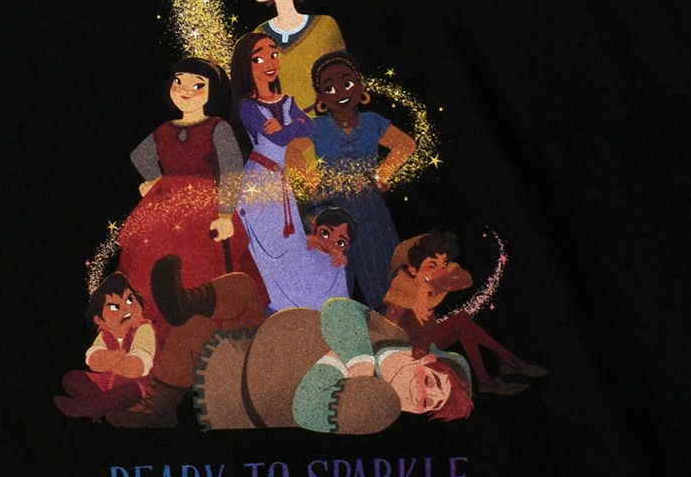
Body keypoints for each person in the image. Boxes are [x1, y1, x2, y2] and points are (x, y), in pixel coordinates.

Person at [93, 256, 473, 431]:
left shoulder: (378, 407)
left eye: (429, 405)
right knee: (241, 287)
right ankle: (184, 303)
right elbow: (339, 309)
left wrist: (338, 361)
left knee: (193, 334)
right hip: (261, 339)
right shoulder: (395, 338)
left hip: (249, 384)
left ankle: (157, 411)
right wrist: (357, 356)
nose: (420, 396)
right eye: (432, 384)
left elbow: (308, 409)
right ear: (425, 362)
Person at [114, 57, 262, 324]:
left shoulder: (217, 128)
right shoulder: (164, 129)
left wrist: (225, 215)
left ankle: (198, 315)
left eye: (198, 85)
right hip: (164, 209)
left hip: (203, 210)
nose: (186, 90)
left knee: (201, 266)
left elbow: (231, 171)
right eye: (179, 81)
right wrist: (155, 180)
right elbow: (140, 155)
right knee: (150, 260)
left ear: (213, 92)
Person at [230, 32, 347, 311]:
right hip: (259, 182)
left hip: (280, 181)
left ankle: (307, 303)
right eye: (259, 58)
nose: (270, 63)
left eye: (273, 54)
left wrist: (286, 128)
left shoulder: (286, 101)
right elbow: (281, 138)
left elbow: (310, 127)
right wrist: (290, 128)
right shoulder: (247, 106)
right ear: (246, 65)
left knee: (292, 242)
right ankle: (280, 305)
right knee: (270, 247)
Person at [309, 50, 416, 307]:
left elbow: (405, 144)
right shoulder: (317, 126)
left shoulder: (372, 122)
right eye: (330, 88)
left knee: (383, 280)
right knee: (333, 284)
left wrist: (383, 174)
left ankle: (389, 329)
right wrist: (309, 176)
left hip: (370, 208)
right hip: (331, 211)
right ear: (321, 98)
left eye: (347, 83)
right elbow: (291, 151)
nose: (340, 92)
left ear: (360, 86)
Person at [384, 231, 550, 396]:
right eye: (432, 266)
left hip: (430, 338)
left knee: (463, 324)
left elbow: (465, 278)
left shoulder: (440, 276)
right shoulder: (402, 286)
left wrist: (427, 286)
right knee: (462, 321)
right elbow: (387, 329)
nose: (439, 271)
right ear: (413, 269)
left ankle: (494, 373)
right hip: (410, 350)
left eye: (443, 265)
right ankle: (504, 365)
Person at [251, 0, 345, 112]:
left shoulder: (324, 26)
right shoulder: (259, 33)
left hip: (322, 120)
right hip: (275, 122)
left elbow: (342, 80)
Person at [54, 273, 155, 419]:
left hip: (135, 386)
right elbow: (94, 360)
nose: (126, 308)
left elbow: (137, 367)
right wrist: (114, 358)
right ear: (99, 320)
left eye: (130, 299)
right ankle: (100, 404)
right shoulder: (105, 334)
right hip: (106, 383)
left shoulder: (143, 329)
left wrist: (109, 361)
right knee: (71, 378)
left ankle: (89, 407)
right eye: (114, 307)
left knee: (131, 391)